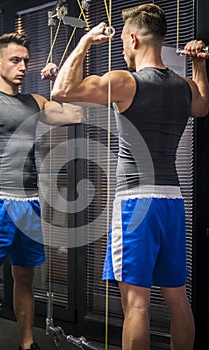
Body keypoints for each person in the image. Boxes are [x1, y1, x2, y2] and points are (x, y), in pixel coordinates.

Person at [48, 3, 209, 350]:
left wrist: (87, 41)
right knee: (178, 300)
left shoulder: (125, 81)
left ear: (133, 39)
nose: (122, 47)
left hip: (136, 204)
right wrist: (198, 66)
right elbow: (203, 106)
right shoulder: (184, 87)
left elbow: (61, 90)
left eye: (122, 40)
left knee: (136, 304)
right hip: (173, 203)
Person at [0, 32, 83, 350]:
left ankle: (27, 343)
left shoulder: (36, 102)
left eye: (25, 61)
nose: (22, 66)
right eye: (15, 60)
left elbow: (74, 115)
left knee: (25, 278)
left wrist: (58, 81)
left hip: (30, 202)